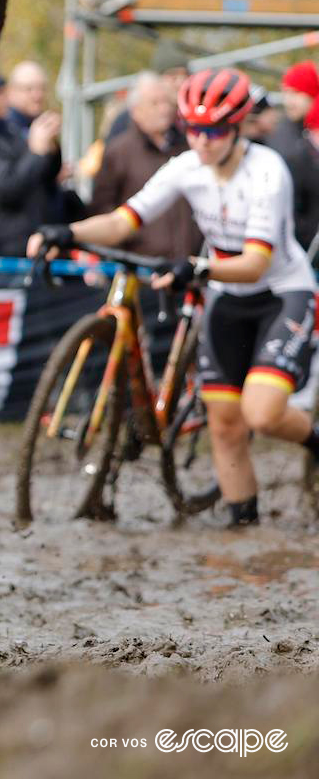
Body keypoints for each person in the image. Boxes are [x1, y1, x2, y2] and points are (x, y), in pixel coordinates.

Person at [32, 69, 319, 526]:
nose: (202, 142)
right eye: (193, 129)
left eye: (214, 131)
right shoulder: (187, 166)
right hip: (228, 294)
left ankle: (313, 439)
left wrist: (198, 267)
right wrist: (66, 233)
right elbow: (126, 220)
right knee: (224, 422)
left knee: (261, 414)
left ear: (238, 127)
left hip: (281, 292)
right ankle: (243, 521)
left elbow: (255, 262)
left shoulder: (267, 171)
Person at [88, 73, 200, 260]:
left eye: (167, 103)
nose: (164, 109)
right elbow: (101, 206)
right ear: (136, 110)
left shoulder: (190, 148)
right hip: (141, 266)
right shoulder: (119, 152)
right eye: (155, 103)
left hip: (187, 269)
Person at [0, 71, 63, 257]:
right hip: (6, 249)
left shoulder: (8, 130)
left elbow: (43, 175)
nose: (6, 99)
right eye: (0, 93)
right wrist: (36, 153)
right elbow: (6, 187)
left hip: (35, 242)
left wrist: (52, 149)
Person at [266, 61, 319, 248]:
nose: (289, 100)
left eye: (296, 93)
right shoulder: (283, 136)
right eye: (286, 93)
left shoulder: (307, 133)